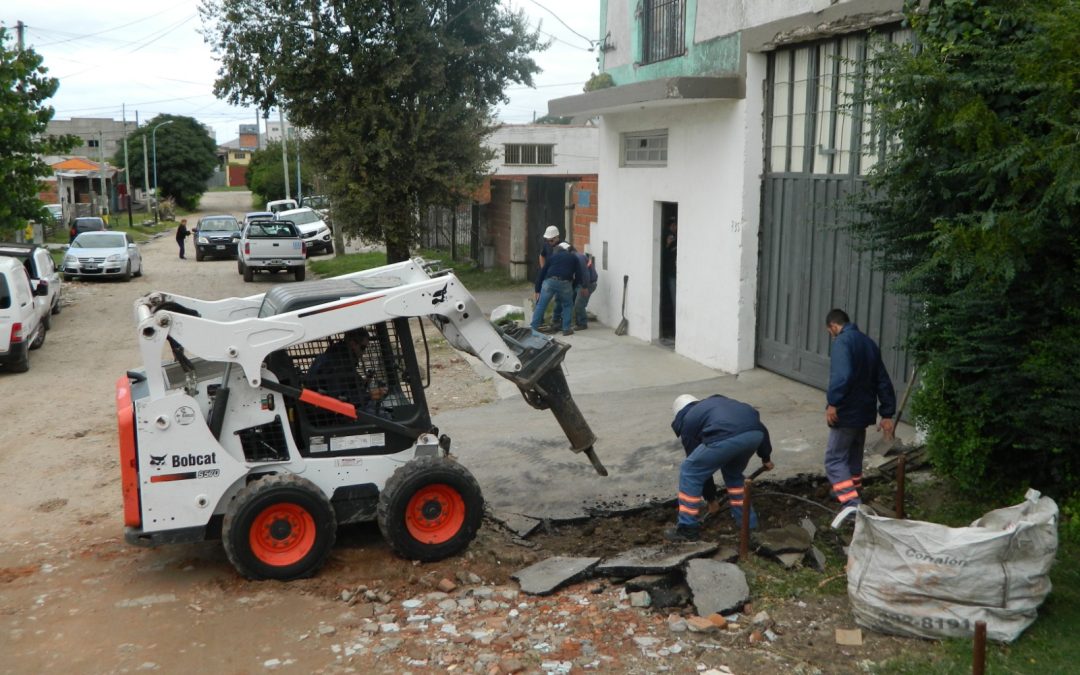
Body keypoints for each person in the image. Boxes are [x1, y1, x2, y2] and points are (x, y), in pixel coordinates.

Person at [666, 394, 774, 542]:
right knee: (734, 475)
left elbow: (700, 471)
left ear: (678, 414)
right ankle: (749, 525)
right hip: (754, 435)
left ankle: (687, 529)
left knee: (690, 471)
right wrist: (765, 457)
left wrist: (711, 499)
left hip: (727, 435)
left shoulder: (688, 421)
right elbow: (759, 426)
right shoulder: (715, 405)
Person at [824, 308, 896, 507]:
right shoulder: (868, 343)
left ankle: (853, 507)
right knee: (853, 457)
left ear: (833, 326)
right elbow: (883, 380)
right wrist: (887, 413)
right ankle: (854, 491)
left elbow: (842, 376)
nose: (831, 336)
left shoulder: (842, 342)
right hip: (864, 413)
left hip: (846, 412)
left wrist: (833, 402)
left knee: (834, 459)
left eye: (829, 332)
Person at [306, 328, 386, 412]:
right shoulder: (337, 364)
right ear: (352, 344)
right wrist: (369, 395)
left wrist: (361, 383)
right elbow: (338, 399)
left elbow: (343, 387)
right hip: (328, 416)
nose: (363, 352)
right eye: (363, 347)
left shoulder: (337, 358)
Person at [531, 241, 581, 336]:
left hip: (549, 282)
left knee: (541, 305)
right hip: (565, 282)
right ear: (568, 250)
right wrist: (573, 287)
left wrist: (537, 290)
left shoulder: (552, 257)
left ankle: (533, 327)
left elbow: (542, 273)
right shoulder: (574, 258)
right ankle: (566, 329)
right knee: (567, 305)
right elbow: (579, 275)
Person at [572, 244, 598, 330]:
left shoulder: (578, 258)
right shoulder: (577, 257)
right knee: (576, 302)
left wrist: (584, 287)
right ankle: (578, 322)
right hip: (583, 283)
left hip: (587, 284)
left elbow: (585, 273)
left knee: (579, 304)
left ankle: (582, 324)